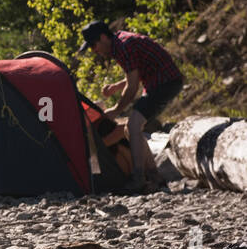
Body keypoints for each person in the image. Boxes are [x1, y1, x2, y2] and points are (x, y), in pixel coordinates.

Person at [78, 20, 183, 192]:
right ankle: (155, 177)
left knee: (133, 125)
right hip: (157, 82)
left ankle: (139, 178)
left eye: (93, 45)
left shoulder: (123, 46)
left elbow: (133, 87)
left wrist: (116, 110)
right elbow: (134, 73)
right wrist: (116, 87)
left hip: (164, 82)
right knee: (131, 128)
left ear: (103, 37)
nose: (93, 50)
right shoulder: (121, 43)